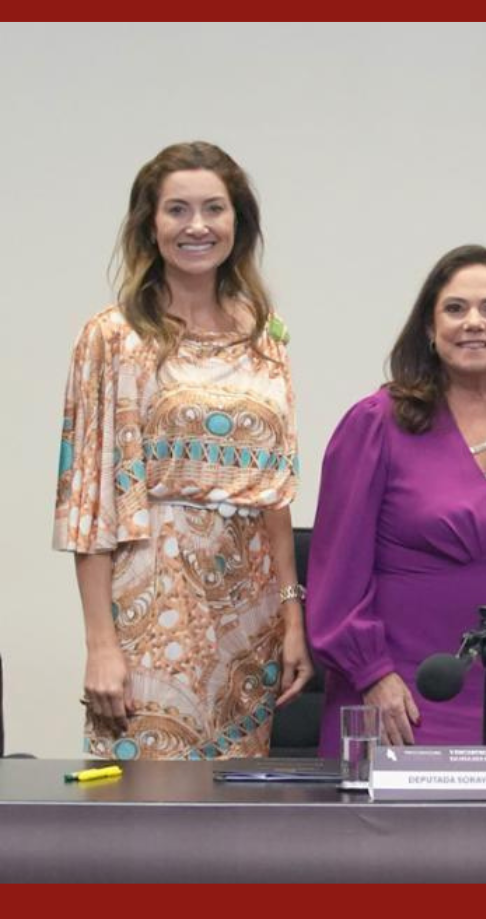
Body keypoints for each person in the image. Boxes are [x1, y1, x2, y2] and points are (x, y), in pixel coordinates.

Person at [53, 141, 313, 760]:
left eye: (213, 209)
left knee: (235, 800)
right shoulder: (113, 336)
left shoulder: (265, 335)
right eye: (177, 210)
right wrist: (100, 644)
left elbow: (274, 492)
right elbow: (90, 501)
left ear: (238, 222)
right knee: (147, 793)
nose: (197, 226)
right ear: (150, 224)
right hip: (153, 596)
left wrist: (291, 615)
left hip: (249, 610)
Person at [307, 245, 486, 752]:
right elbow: (336, 573)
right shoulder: (377, 423)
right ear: (430, 328)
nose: (473, 322)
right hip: (399, 690)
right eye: (455, 308)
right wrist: (372, 674)